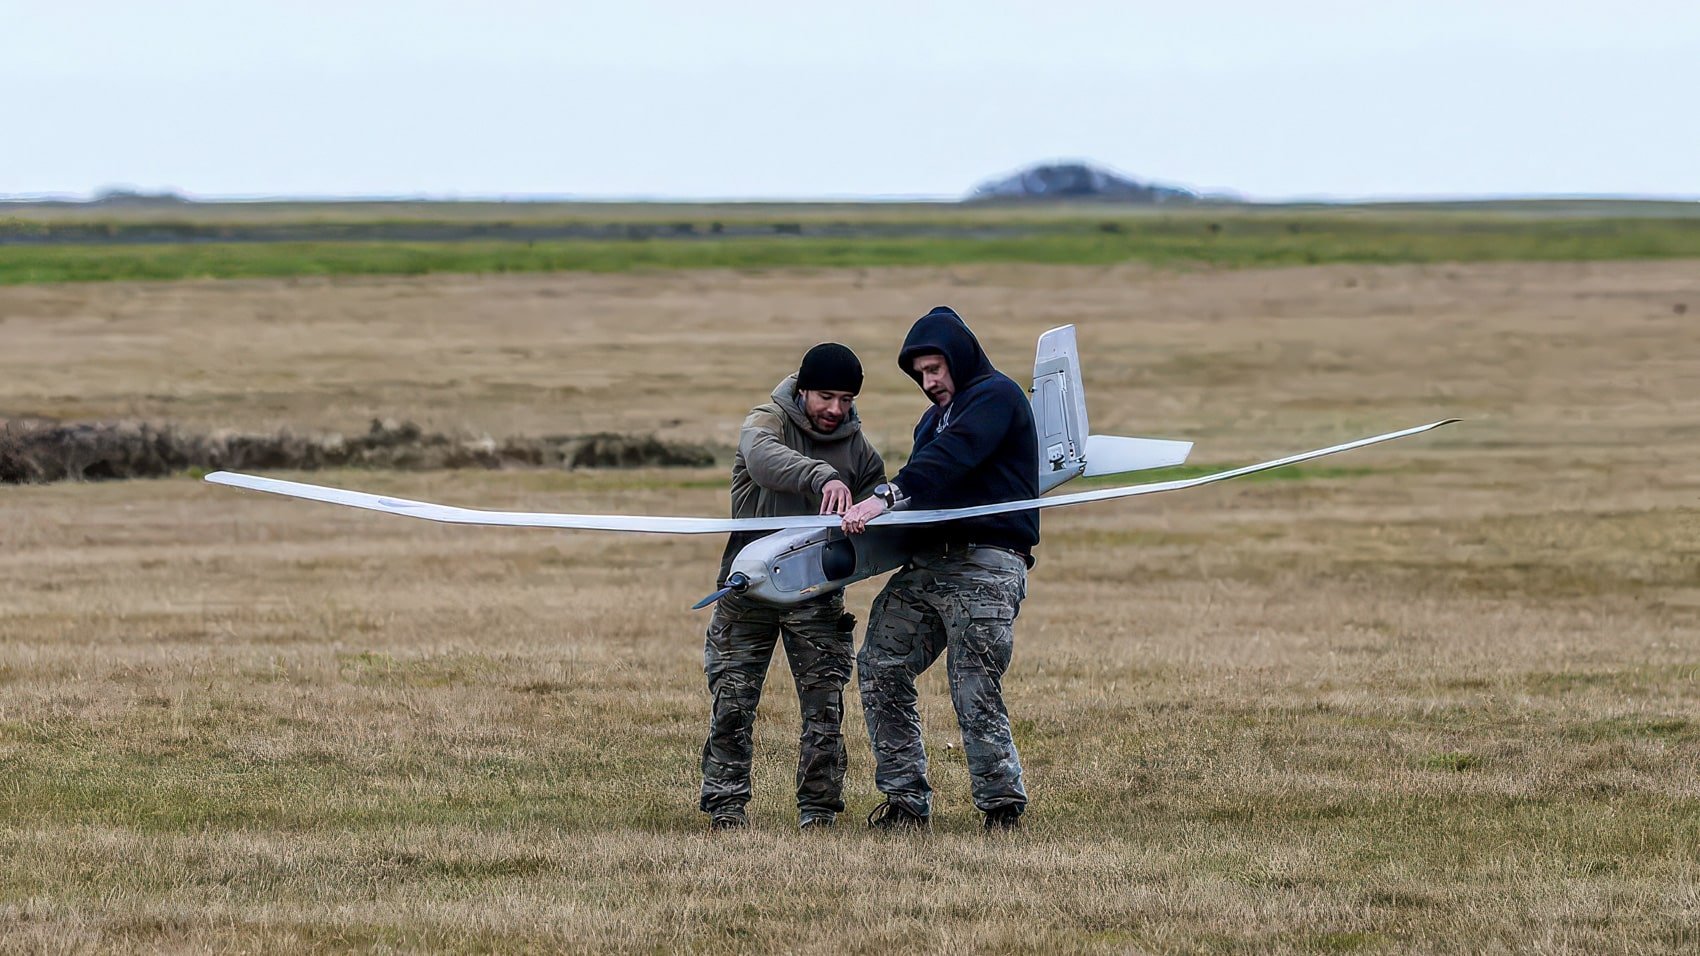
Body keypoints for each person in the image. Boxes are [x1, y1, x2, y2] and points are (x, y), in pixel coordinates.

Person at [841, 306, 1039, 831]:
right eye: (920, 374)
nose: (928, 382)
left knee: (973, 681)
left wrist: (886, 495)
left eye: (935, 369)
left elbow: (953, 457)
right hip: (929, 564)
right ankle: (905, 801)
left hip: (987, 563)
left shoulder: (996, 397)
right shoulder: (931, 421)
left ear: (960, 358)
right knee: (880, 664)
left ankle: (1002, 807)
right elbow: (928, 486)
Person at [701, 343, 887, 831]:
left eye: (846, 399)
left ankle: (819, 811)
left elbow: (881, 502)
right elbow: (762, 459)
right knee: (732, 702)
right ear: (802, 390)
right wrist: (823, 477)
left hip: (815, 596)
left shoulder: (858, 448)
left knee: (824, 706)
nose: (836, 410)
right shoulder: (767, 422)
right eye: (826, 396)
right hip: (747, 591)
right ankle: (725, 808)